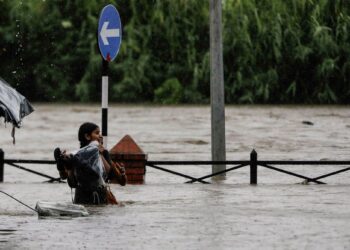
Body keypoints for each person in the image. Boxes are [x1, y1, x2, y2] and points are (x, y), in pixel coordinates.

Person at [54, 122, 127, 205]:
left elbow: (121, 181)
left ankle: (66, 163)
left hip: (91, 196)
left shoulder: (102, 153)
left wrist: (101, 154)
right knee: (74, 163)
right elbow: (70, 182)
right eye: (97, 133)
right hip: (89, 197)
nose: (100, 136)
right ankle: (64, 163)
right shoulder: (77, 155)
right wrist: (66, 166)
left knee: (76, 163)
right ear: (87, 136)